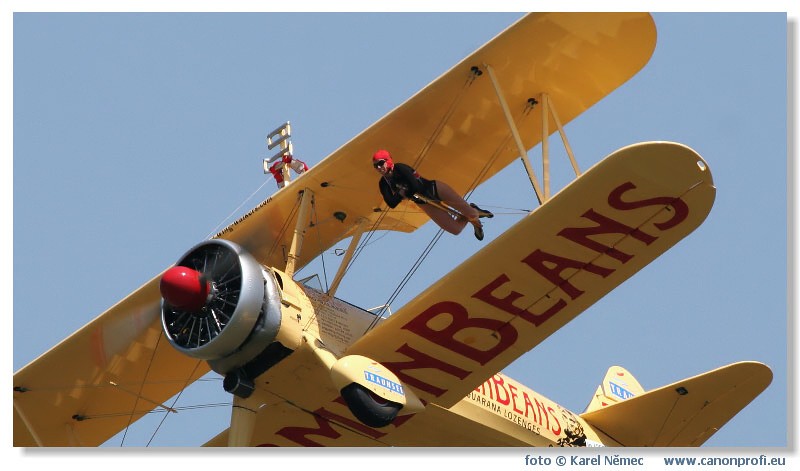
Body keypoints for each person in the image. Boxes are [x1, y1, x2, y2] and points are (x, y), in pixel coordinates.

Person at [372, 149, 493, 240]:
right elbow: (391, 203)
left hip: (434, 189)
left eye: (380, 163)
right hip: (424, 202)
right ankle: (472, 217)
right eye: (375, 165)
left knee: (470, 213)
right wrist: (401, 194)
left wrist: (401, 194)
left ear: (388, 161)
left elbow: (415, 186)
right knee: (455, 230)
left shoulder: (400, 168)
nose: (378, 167)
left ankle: (473, 211)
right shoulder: (383, 183)